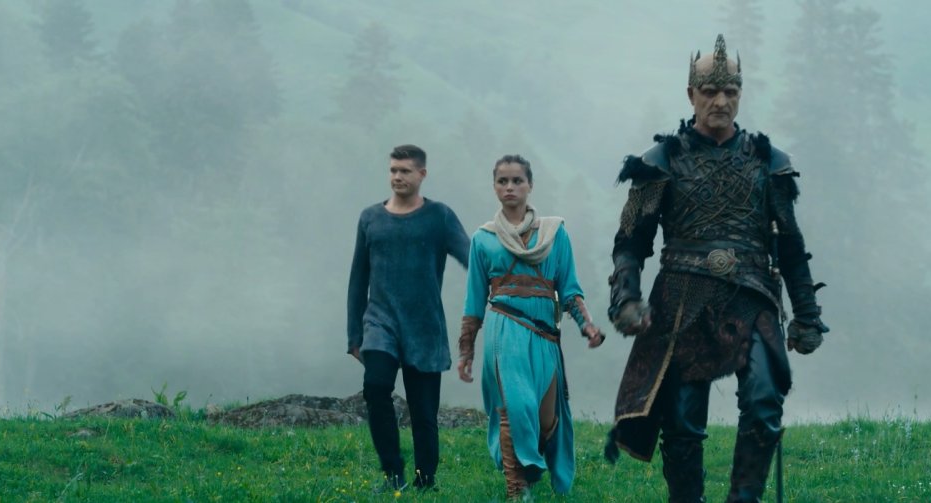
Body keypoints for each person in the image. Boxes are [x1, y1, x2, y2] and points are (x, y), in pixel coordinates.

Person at [604, 35, 830, 503]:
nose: (721, 101)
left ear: (741, 93)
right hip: (681, 300)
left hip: (752, 295)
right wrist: (626, 298)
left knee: (764, 403)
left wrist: (807, 315)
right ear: (691, 94)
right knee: (682, 424)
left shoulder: (768, 162)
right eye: (710, 91)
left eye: (731, 91)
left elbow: (790, 247)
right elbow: (631, 243)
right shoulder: (661, 163)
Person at [457, 154, 606, 499]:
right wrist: (466, 351)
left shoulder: (555, 233)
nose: (509, 187)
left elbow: (569, 288)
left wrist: (587, 325)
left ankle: (529, 468)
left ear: (530, 185)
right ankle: (517, 488)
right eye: (502, 181)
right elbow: (474, 301)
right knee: (516, 407)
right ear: (494, 186)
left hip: (544, 334)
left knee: (546, 419)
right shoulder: (483, 239)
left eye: (517, 180)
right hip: (504, 329)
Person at [347, 144, 470, 492]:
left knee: (423, 412)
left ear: (422, 174)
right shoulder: (370, 218)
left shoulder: (439, 216)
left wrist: (503, 276)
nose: (397, 176)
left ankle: (425, 481)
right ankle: (393, 475)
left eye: (405, 170)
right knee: (376, 388)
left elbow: (472, 258)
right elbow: (358, 278)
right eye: (393, 170)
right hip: (379, 323)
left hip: (424, 326)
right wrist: (354, 334)